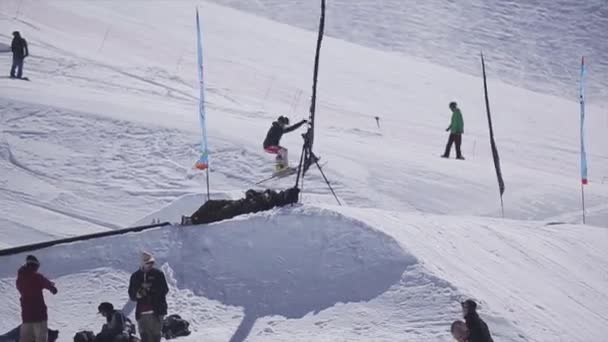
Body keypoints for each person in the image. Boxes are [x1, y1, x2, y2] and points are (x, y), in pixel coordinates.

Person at [16, 255, 58, 342]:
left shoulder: (19, 279)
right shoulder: (36, 276)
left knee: (26, 339)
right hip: (39, 314)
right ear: (34, 265)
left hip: (26, 315)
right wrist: (52, 288)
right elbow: (44, 282)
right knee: (41, 338)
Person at [128, 252, 168, 342]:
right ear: (142, 263)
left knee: (155, 338)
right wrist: (139, 293)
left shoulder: (158, 274)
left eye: (151, 263)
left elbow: (165, 290)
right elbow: (132, 295)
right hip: (142, 314)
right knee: (144, 338)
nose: (150, 265)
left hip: (156, 312)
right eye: (148, 263)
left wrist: (151, 288)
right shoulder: (135, 277)